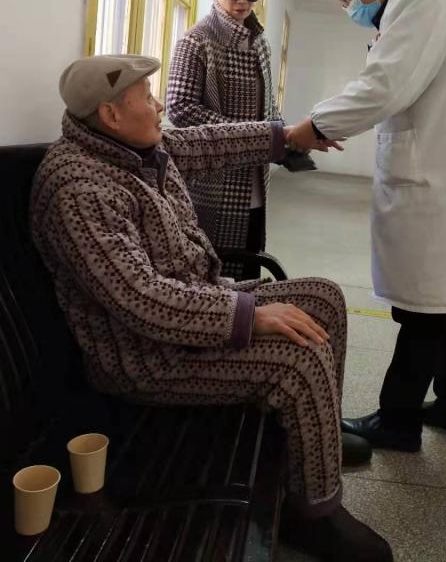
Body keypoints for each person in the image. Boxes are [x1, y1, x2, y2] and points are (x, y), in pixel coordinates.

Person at [30, 54, 393, 562]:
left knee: (323, 299)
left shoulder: (132, 149)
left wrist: (288, 137)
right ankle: (315, 514)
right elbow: (140, 298)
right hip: (146, 357)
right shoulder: (78, 187)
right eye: (147, 98)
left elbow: (208, 143)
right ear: (111, 114)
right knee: (296, 361)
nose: (159, 106)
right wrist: (249, 316)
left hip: (195, 312)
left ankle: (314, 443)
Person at [288, 0, 446, 452]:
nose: (349, 6)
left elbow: (383, 87)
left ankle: (398, 421)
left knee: (426, 308)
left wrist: (313, 125)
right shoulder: (420, 4)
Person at [166, 0, 280, 278]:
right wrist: (255, 136)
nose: (243, 0)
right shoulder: (196, 41)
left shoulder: (260, 42)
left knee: (249, 273)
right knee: (212, 278)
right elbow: (180, 109)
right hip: (212, 187)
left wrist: (285, 136)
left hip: (257, 185)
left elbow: (268, 107)